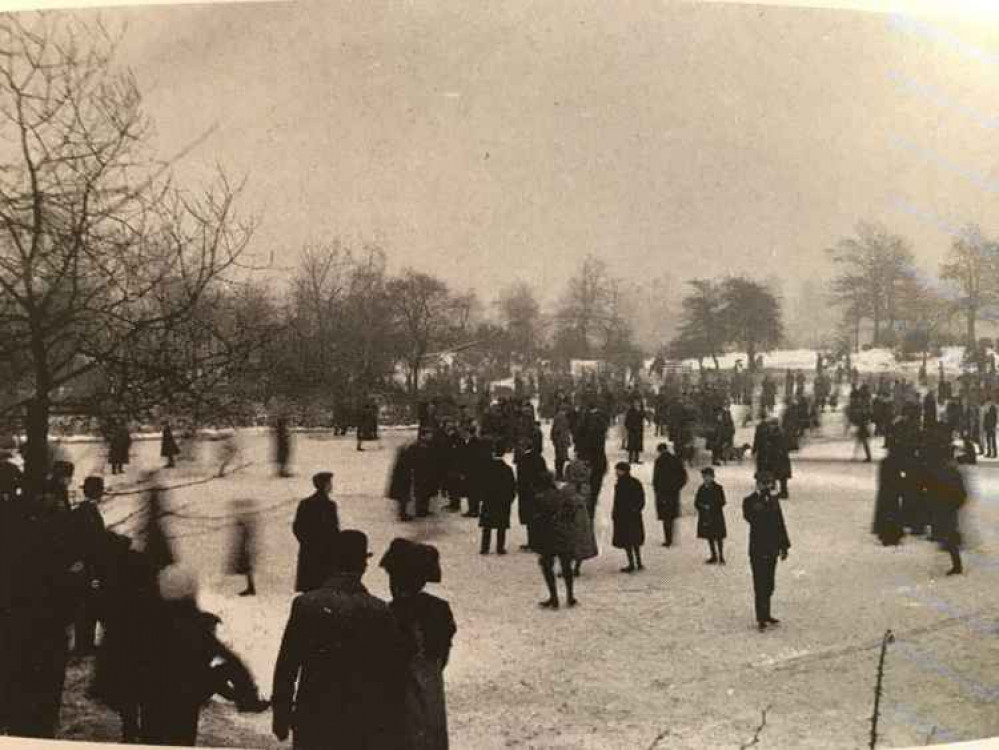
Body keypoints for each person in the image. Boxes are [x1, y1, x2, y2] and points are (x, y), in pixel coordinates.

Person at [272, 530, 410, 750]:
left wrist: (281, 713)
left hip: (313, 716)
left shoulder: (306, 604)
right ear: (363, 567)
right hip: (361, 721)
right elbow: (392, 675)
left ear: (333, 562)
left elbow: (287, 665)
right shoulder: (380, 611)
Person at [381, 539, 457, 750]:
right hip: (431, 697)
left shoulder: (387, 614)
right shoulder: (439, 610)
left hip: (398, 705)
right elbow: (443, 656)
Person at [743, 472, 791, 632]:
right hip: (757, 548)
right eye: (763, 483)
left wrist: (784, 546)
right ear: (757, 484)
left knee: (769, 583)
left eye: (768, 483)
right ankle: (761, 617)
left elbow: (780, 523)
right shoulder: (749, 501)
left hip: (771, 548)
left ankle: (767, 613)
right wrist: (764, 502)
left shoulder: (773, 501)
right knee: (760, 583)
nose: (766, 486)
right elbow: (752, 518)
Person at [72, 476, 108, 655]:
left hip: (85, 565)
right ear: (98, 492)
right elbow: (93, 542)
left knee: (86, 605)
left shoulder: (82, 510)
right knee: (88, 605)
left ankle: (84, 643)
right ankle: (83, 645)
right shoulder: (89, 513)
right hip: (89, 565)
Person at [533, 470, 578, 608]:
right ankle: (570, 596)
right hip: (563, 534)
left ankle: (554, 597)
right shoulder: (563, 496)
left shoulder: (539, 497)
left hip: (547, 535)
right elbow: (572, 513)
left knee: (547, 566)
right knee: (566, 566)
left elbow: (535, 519)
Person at [292, 472, 340, 593]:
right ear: (324, 485)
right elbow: (334, 529)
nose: (331, 486)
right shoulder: (329, 506)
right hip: (326, 553)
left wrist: (306, 542)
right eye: (329, 483)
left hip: (309, 552)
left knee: (310, 588)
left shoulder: (305, 503)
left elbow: (297, 527)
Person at [479, 442, 515, 555]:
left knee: (487, 526)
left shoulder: (486, 468)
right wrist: (509, 499)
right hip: (502, 501)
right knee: (501, 525)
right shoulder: (507, 469)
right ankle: (500, 547)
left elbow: (481, 484)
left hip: (489, 500)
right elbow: (512, 486)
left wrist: (483, 497)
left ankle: (485, 547)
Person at [612, 462, 646, 573]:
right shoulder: (636, 482)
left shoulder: (621, 484)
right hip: (634, 516)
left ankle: (631, 564)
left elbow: (618, 502)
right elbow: (641, 499)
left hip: (624, 516)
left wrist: (615, 514)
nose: (616, 473)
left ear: (623, 471)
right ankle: (639, 562)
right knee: (635, 540)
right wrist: (637, 509)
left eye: (618, 470)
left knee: (627, 541)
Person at [652, 443, 687, 547]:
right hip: (673, 492)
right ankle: (671, 537)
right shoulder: (675, 460)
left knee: (665, 516)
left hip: (662, 492)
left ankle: (668, 538)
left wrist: (656, 489)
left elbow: (656, 478)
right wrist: (677, 487)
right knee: (671, 515)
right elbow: (683, 476)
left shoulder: (659, 461)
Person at [694, 467, 727, 565]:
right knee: (709, 536)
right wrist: (702, 506)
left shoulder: (718, 488)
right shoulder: (701, 488)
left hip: (716, 515)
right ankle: (713, 555)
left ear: (713, 477)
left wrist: (712, 506)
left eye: (708, 477)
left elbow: (722, 501)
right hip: (705, 515)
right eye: (704, 477)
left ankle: (721, 555)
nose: (706, 479)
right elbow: (696, 502)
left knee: (719, 536)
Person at [227, 499, 258, 596]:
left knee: (247, 567)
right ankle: (250, 587)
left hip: (246, 548)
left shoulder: (246, 524)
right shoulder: (247, 523)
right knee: (247, 568)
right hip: (245, 548)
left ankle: (251, 587)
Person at [550, 405, 573, 481]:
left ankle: (559, 474)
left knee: (560, 458)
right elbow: (560, 431)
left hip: (560, 440)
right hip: (561, 441)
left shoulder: (559, 417)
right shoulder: (562, 418)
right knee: (560, 458)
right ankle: (559, 475)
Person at [624, 400, 645, 464]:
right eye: (636, 403)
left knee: (637, 446)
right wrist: (629, 428)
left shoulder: (640, 411)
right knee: (631, 445)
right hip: (632, 430)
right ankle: (630, 459)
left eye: (638, 404)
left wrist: (640, 411)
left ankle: (636, 459)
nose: (637, 405)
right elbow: (626, 421)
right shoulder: (630, 411)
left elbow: (643, 416)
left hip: (638, 430)